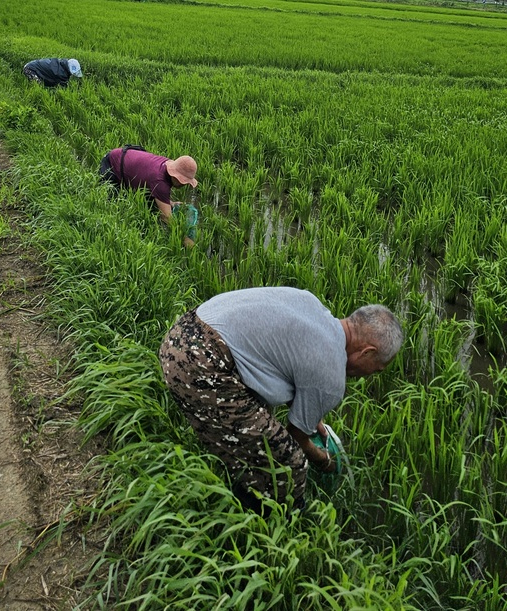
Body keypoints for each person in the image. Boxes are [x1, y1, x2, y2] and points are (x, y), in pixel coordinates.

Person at [158, 286, 405, 513]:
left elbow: (289, 364)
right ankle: (265, 535)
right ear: (367, 352)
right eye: (376, 368)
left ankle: (235, 485)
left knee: (260, 421)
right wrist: (326, 461)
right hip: (198, 364)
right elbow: (297, 439)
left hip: (182, 332)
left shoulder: (312, 305)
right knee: (288, 462)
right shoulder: (332, 376)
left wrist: (310, 418)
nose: (370, 375)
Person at [99, 146, 199, 247]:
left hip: (126, 157)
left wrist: (170, 203)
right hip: (111, 164)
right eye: (184, 181)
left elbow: (157, 190)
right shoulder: (160, 182)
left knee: (149, 203)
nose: (184, 185)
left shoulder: (166, 166)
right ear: (175, 176)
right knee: (112, 208)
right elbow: (166, 218)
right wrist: (186, 240)